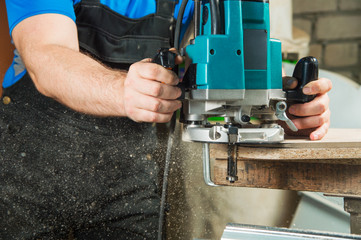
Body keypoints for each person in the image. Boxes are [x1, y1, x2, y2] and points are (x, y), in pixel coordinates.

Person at [1, 0, 331, 239]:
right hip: (29, 172)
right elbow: (47, 57)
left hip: (130, 179)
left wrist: (278, 104)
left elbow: (204, 65)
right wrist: (122, 91)